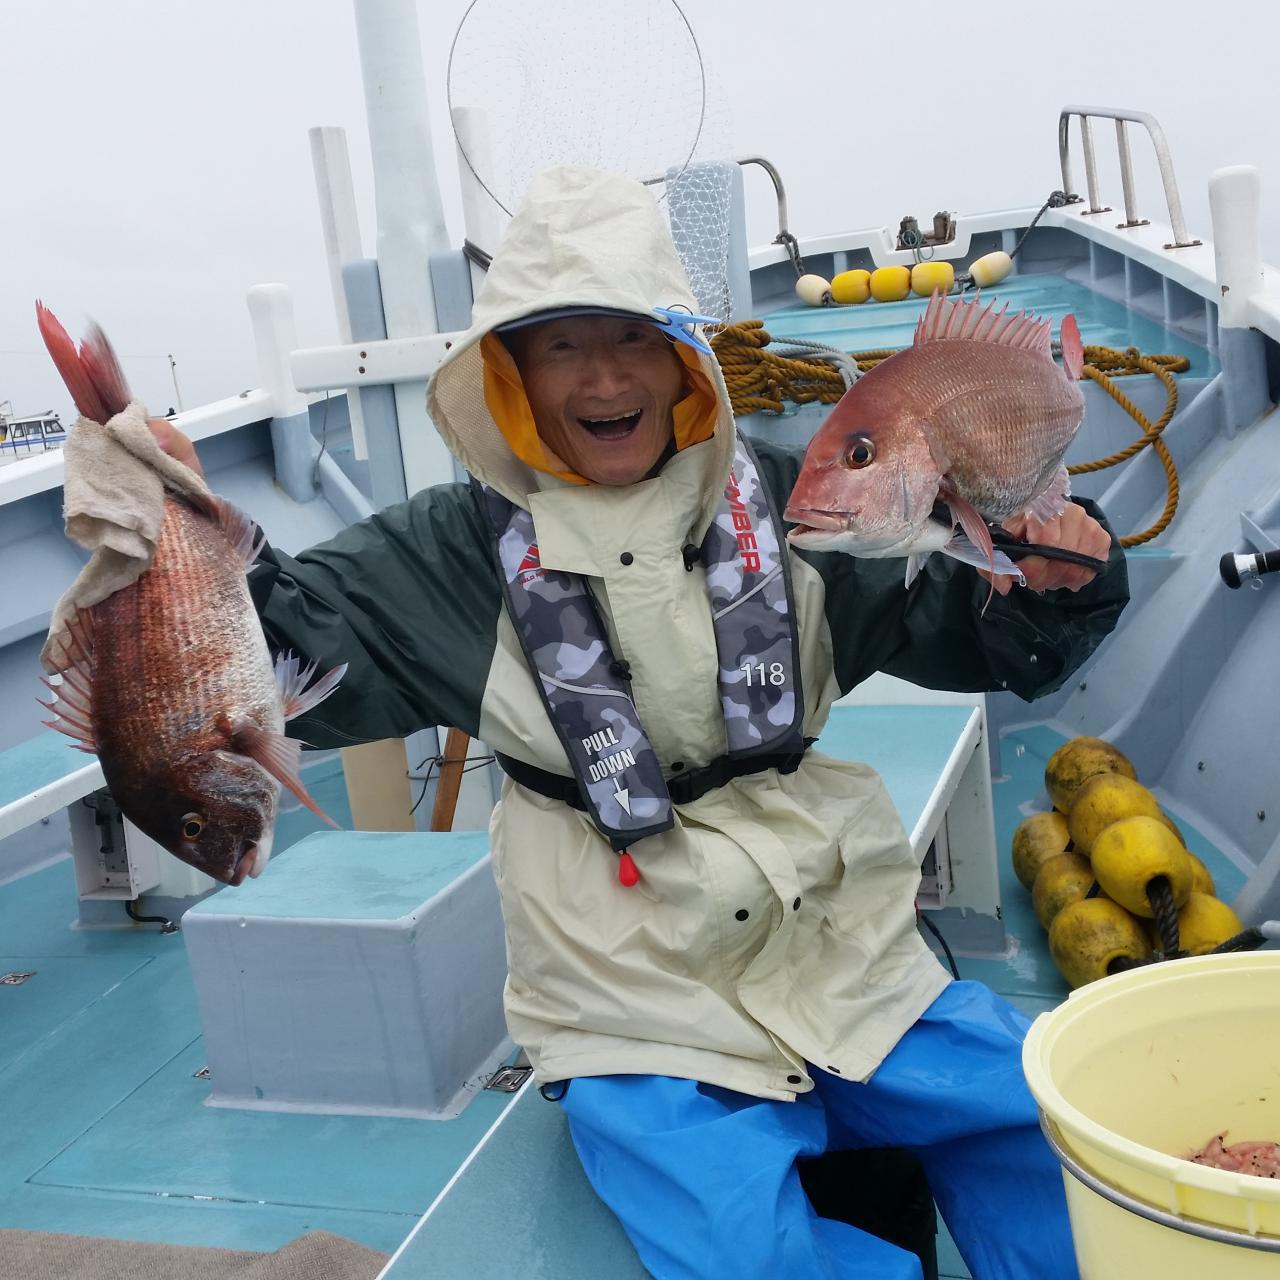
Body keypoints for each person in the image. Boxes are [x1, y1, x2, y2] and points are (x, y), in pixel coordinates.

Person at [152, 165, 1124, 1280]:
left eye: (633, 338)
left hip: (834, 941)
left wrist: (1062, 580)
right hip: (625, 991)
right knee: (744, 1253)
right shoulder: (447, 556)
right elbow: (283, 652)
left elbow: (975, 631)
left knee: (1066, 1137)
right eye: (560, 345)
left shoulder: (796, 500)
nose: (605, 376)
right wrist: (175, 546)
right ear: (508, 376)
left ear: (683, 362)